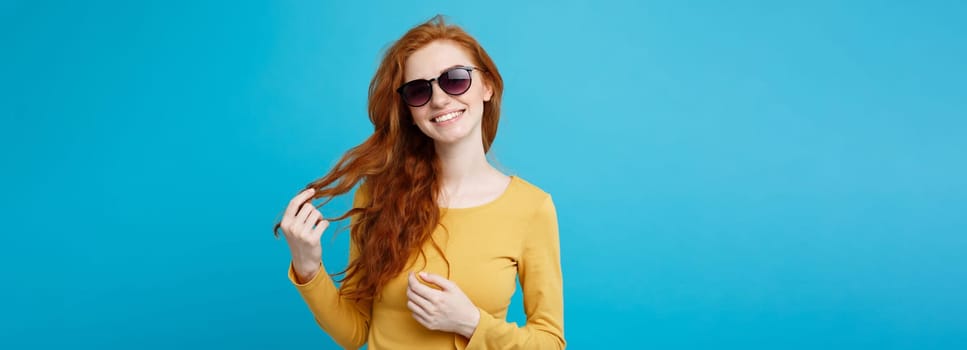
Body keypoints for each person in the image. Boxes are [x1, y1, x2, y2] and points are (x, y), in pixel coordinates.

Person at [274, 15, 565, 349]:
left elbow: (550, 342)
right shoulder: (377, 195)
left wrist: (471, 323)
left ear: (488, 86)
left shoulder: (531, 208)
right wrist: (308, 267)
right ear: (409, 111)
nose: (439, 99)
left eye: (455, 80)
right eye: (419, 90)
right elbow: (354, 333)